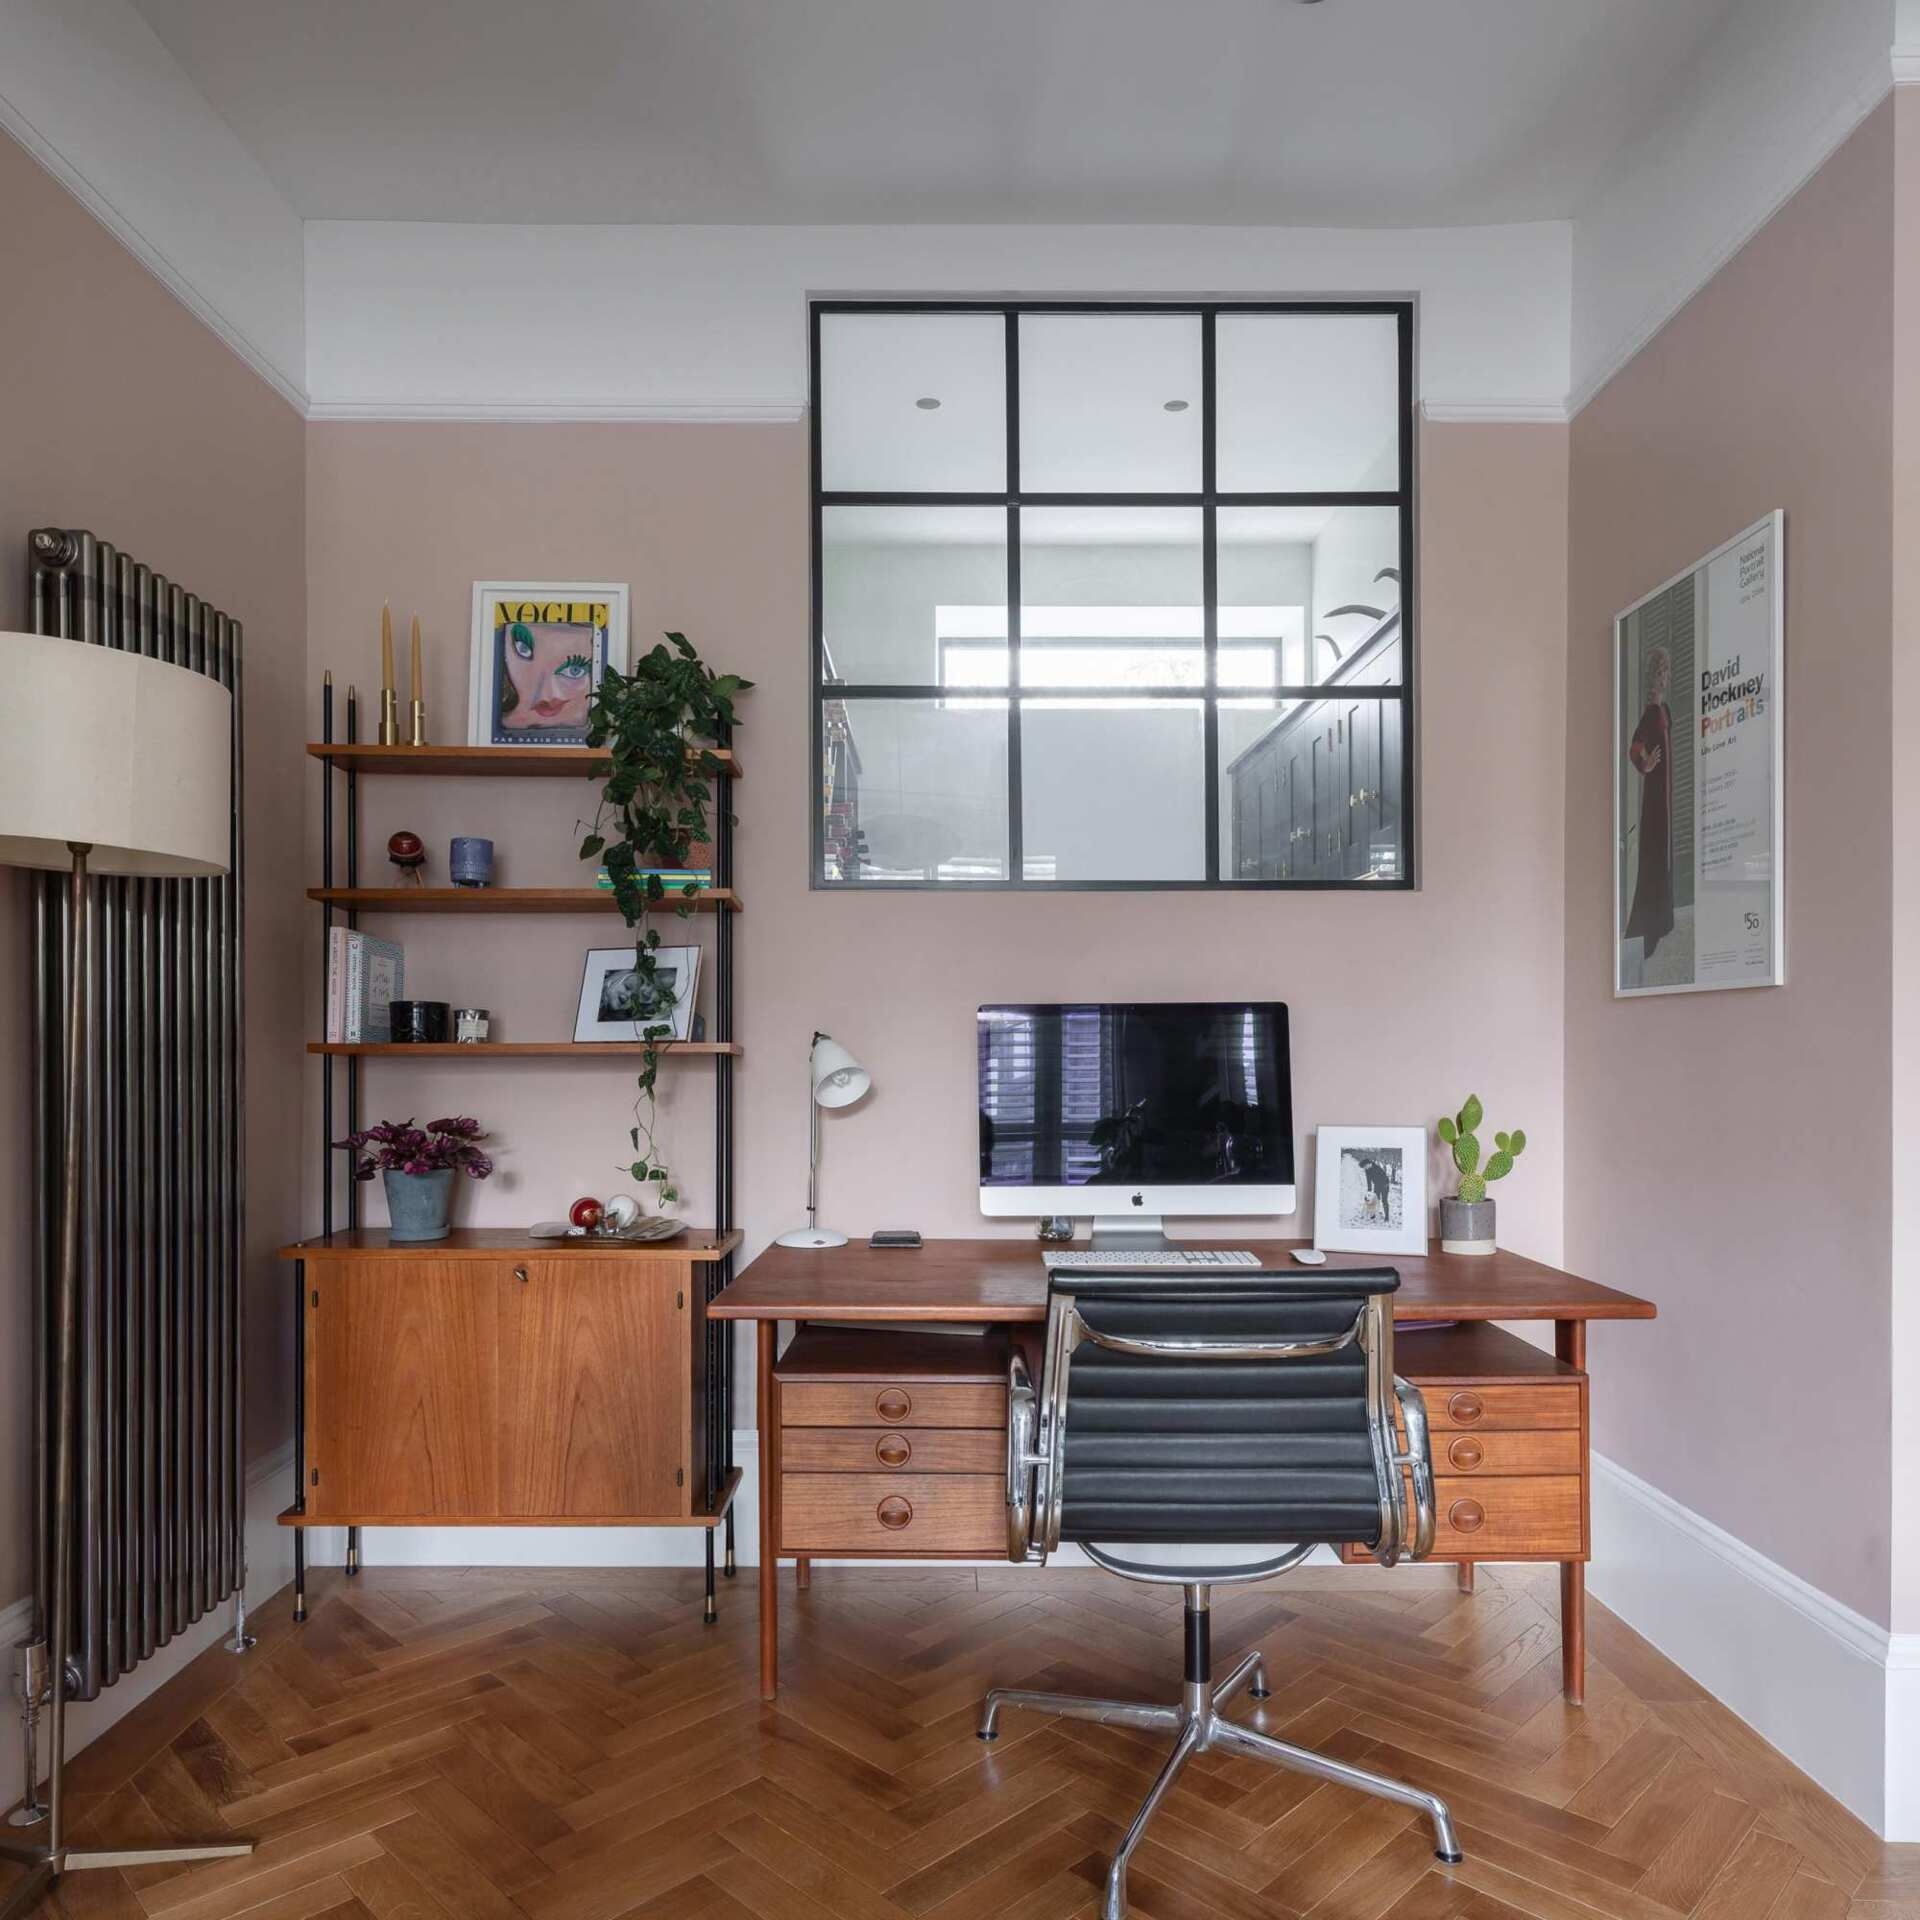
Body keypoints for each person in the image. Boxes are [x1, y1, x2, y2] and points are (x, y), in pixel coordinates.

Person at [1625, 645, 1674, 959]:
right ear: (1656, 675)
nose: (1668, 677)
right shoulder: (1650, 713)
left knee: (1665, 848)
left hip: (1667, 792)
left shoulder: (1665, 711)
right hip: (1655, 795)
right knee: (1655, 849)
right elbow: (1634, 749)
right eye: (1665, 671)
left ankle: (1661, 918)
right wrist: (1647, 765)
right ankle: (1650, 924)